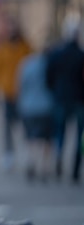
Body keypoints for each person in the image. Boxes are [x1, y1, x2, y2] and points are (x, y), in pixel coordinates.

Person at [0, 19, 33, 171]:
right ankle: (9, 155)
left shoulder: (26, 48)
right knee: (7, 126)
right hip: (7, 93)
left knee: (25, 125)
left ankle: (26, 152)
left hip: (24, 93)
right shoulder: (1, 49)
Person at [45, 26, 84, 184]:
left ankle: (59, 159)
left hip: (61, 98)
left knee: (60, 133)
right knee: (78, 136)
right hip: (79, 100)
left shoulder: (57, 55)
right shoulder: (81, 55)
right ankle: (75, 169)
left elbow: (48, 75)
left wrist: (54, 90)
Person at [16, 50, 54, 181]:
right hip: (46, 106)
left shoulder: (26, 64)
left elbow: (20, 85)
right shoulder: (48, 64)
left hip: (28, 106)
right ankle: (44, 167)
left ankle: (31, 162)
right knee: (46, 140)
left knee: (30, 138)